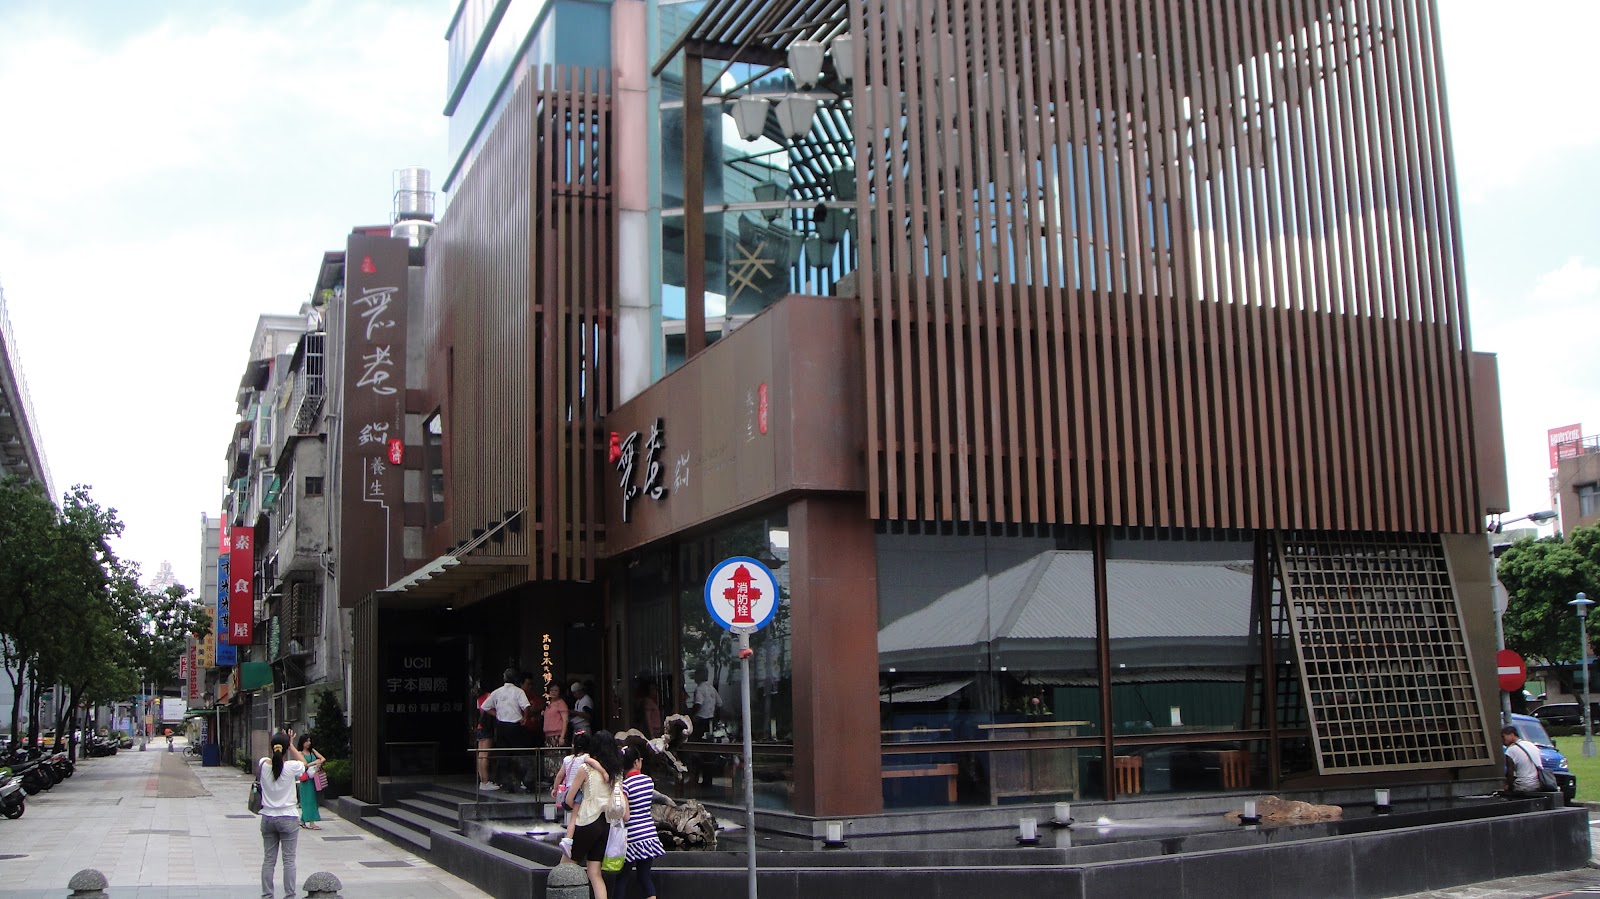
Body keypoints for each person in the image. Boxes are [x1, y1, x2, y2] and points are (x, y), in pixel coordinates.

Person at [561, 730, 624, 899]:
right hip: (607, 823)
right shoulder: (617, 772)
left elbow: (569, 798)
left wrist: (570, 802)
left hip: (587, 821)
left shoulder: (586, 769)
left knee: (564, 868)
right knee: (595, 873)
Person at [259, 728, 307, 899]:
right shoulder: (292, 767)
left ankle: (267, 895)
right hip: (288, 817)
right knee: (289, 861)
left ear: (272, 747)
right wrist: (291, 745)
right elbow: (304, 763)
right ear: (286, 749)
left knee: (268, 860)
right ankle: (289, 895)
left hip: (268, 818)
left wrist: (280, 746)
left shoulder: (263, 765)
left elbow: (271, 759)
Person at [615, 745, 666, 899]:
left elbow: (626, 816)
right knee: (644, 876)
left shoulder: (625, 786)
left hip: (632, 838)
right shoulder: (648, 782)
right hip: (649, 834)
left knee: (622, 878)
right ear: (636, 762)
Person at [479, 668, 531, 792]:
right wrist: (525, 718)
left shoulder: (497, 692)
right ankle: (523, 780)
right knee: (519, 753)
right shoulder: (518, 691)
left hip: (501, 725)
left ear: (504, 678)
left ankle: (505, 783)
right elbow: (526, 706)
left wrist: (496, 714)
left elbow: (485, 706)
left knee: (504, 755)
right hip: (515, 725)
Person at [1502, 724, 1546, 797]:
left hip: (1523, 785)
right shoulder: (1531, 745)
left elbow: (1510, 773)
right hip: (1538, 784)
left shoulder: (1510, 750)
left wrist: (1508, 788)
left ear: (1512, 735)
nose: (1502, 740)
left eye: (1503, 737)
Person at [295, 734, 324, 830]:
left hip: (314, 778)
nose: (308, 743)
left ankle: (303, 820)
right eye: (306, 741)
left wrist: (318, 763)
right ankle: (312, 823)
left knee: (313, 799)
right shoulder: (300, 753)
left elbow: (322, 758)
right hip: (306, 779)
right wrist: (314, 763)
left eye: (309, 741)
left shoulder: (312, 751)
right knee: (308, 800)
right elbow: (302, 765)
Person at [543, 682, 570, 748]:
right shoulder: (548, 703)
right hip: (548, 735)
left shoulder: (561, 703)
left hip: (558, 735)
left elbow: (565, 720)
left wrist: (562, 737)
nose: (553, 692)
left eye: (556, 690)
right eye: (551, 690)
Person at [475, 709, 496, 790]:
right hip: (487, 726)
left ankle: (482, 780)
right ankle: (485, 781)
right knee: (485, 755)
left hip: (480, 725)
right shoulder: (488, 700)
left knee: (481, 755)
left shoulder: (479, 701)